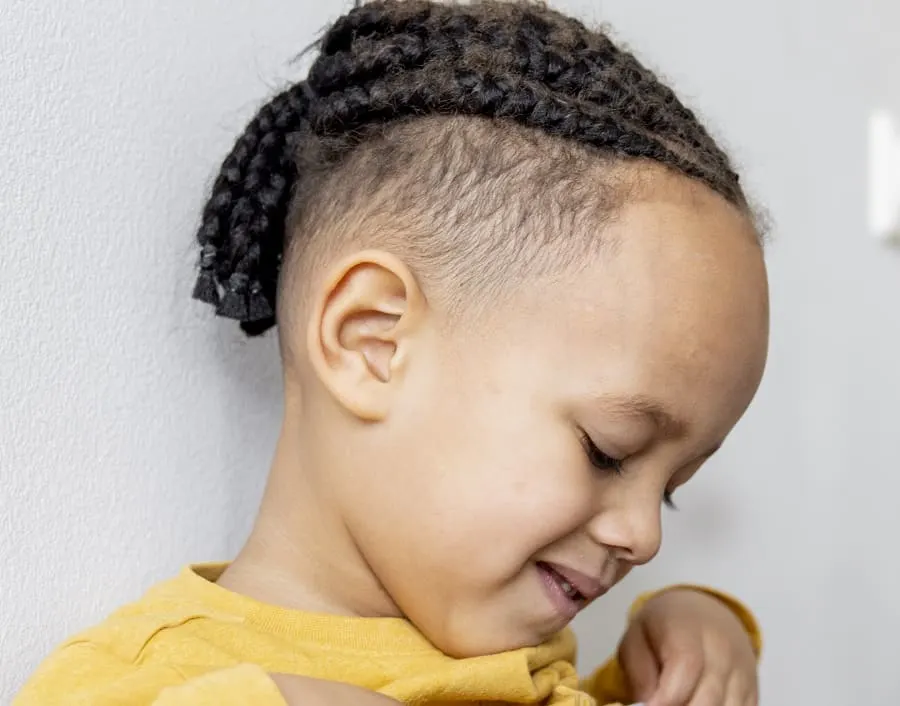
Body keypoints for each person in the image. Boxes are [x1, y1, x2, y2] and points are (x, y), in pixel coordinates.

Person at [15, 1, 769, 704]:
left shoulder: (526, 668)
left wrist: (693, 628)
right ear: (370, 340)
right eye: (608, 451)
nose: (644, 537)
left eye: (672, 486)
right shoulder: (153, 681)